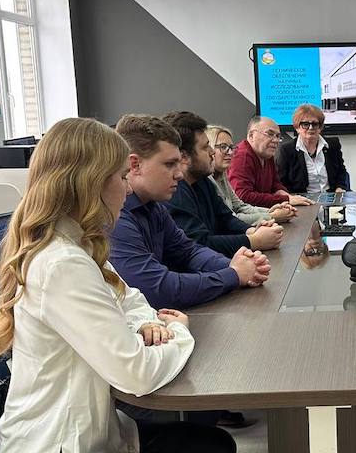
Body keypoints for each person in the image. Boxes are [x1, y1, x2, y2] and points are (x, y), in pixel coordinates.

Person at [0, 117, 244, 453]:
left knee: (212, 445)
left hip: (77, 448)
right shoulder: (62, 264)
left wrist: (151, 325)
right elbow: (135, 374)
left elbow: (133, 301)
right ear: (90, 181)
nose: (127, 185)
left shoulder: (73, 245)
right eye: (120, 176)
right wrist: (178, 332)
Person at [110, 114, 270, 311]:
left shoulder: (154, 207)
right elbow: (157, 289)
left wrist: (236, 265)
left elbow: (189, 251)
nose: (179, 174)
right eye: (169, 164)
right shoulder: (116, 217)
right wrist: (234, 274)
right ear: (135, 164)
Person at [164, 111, 283, 258]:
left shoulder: (202, 180)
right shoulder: (175, 192)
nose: (212, 152)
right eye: (205, 147)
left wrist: (252, 230)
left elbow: (225, 218)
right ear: (184, 157)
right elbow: (198, 244)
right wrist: (253, 240)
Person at [207, 123, 295, 226]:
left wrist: (271, 211)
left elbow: (240, 206)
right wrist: (272, 216)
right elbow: (229, 219)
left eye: (231, 147)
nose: (230, 152)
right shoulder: (207, 180)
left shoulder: (221, 174)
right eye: (223, 147)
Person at [227, 115, 313, 207]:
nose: (276, 140)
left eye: (278, 136)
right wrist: (285, 199)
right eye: (270, 134)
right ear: (251, 135)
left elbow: (275, 184)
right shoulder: (241, 157)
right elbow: (243, 196)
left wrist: (286, 195)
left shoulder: (266, 154)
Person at [276, 103, 348, 194]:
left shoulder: (332, 144)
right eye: (305, 124)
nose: (311, 128)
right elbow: (281, 182)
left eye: (315, 124)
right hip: (302, 198)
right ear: (297, 127)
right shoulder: (287, 149)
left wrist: (339, 188)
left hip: (331, 195)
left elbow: (341, 172)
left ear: (320, 127)